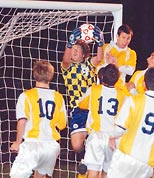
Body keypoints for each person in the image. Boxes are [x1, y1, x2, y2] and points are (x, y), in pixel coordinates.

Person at [107, 67, 154, 178]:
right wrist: (153, 141)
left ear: (144, 84)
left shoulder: (134, 100)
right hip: (147, 162)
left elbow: (120, 128)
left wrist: (112, 137)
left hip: (126, 155)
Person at [9, 60, 67, 178]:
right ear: (51, 76)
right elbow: (62, 125)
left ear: (34, 75)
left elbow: (22, 121)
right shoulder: (58, 97)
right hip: (51, 146)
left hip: (32, 144)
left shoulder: (26, 96)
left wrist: (18, 142)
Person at [61, 27, 103, 176]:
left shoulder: (89, 65)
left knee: (96, 141)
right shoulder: (67, 68)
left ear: (84, 54)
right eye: (73, 50)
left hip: (93, 110)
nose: (74, 52)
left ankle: (89, 160)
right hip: (77, 110)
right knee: (76, 145)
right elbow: (65, 59)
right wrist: (70, 43)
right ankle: (86, 154)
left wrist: (100, 43)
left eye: (77, 50)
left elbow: (99, 59)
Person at [76, 64, 128, 178]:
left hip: (97, 135)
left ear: (102, 76)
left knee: (93, 170)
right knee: (108, 172)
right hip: (114, 137)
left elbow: (81, 104)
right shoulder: (122, 94)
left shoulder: (94, 89)